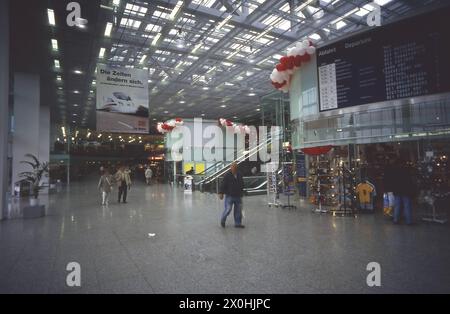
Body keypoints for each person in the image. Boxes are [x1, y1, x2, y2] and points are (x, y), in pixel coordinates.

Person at [218, 162, 245, 228]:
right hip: (229, 195)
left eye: (236, 168)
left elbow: (242, 184)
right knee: (228, 209)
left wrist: (242, 192)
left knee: (238, 210)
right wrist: (221, 193)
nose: (234, 169)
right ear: (231, 168)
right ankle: (223, 220)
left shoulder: (239, 174)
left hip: (238, 196)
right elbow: (223, 184)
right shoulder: (227, 175)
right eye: (233, 167)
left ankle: (238, 223)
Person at [390, 159, 416, 225]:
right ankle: (409, 221)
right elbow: (409, 181)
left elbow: (392, 182)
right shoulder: (406, 171)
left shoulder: (394, 171)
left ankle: (396, 220)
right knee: (407, 205)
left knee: (397, 205)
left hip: (397, 190)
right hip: (405, 190)